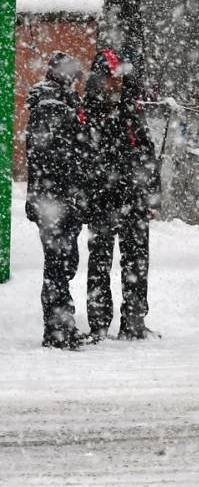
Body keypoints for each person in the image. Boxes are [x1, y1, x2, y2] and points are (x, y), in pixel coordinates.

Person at [82, 49, 162, 341]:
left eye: (118, 79)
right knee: (101, 262)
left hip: (133, 199)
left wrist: (152, 193)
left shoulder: (130, 108)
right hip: (105, 199)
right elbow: (85, 157)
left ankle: (134, 321)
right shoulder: (91, 111)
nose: (113, 85)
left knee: (136, 262)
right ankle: (100, 322)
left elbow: (147, 152)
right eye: (110, 78)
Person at [26, 52, 91, 349]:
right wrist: (69, 187)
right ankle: (57, 330)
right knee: (58, 265)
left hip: (59, 198)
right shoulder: (51, 105)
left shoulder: (63, 100)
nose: (76, 82)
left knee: (64, 263)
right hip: (53, 199)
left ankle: (62, 325)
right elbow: (49, 155)